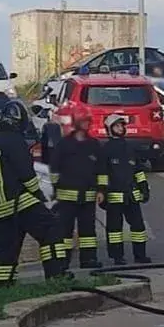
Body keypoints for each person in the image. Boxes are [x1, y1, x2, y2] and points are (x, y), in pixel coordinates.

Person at [0, 100, 68, 285]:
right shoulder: (14, 140)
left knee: (7, 250)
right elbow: (26, 174)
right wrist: (40, 197)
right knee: (52, 229)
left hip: (1, 207)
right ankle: (56, 276)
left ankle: (3, 287)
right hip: (20, 200)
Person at [49, 107, 103, 269]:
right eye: (84, 121)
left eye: (88, 121)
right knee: (65, 231)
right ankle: (63, 262)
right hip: (66, 197)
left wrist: (101, 190)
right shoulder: (64, 144)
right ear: (77, 123)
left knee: (88, 231)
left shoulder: (94, 145)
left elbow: (101, 169)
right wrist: (54, 190)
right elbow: (54, 168)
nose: (87, 124)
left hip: (87, 196)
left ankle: (88, 260)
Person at [99, 114, 151, 266]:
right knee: (115, 229)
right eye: (117, 126)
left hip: (132, 196)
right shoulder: (106, 149)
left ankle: (140, 255)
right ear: (109, 129)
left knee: (138, 227)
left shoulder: (130, 147)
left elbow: (138, 171)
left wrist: (144, 188)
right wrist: (102, 192)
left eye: (122, 126)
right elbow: (102, 173)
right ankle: (117, 256)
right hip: (114, 197)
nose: (120, 128)